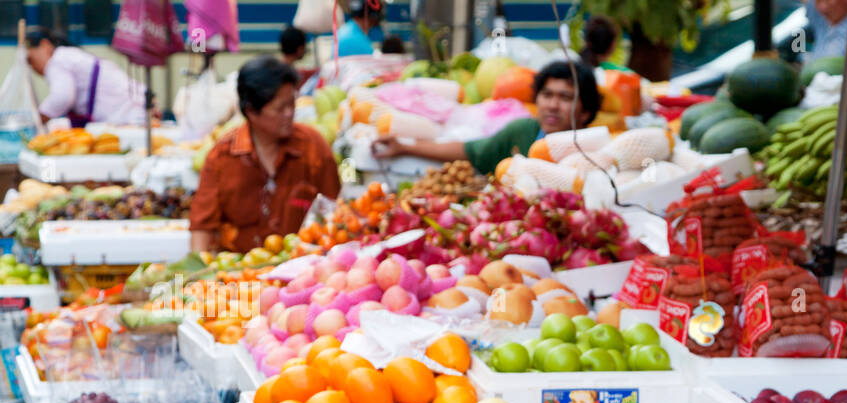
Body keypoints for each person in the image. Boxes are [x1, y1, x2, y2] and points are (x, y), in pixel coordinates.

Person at [189, 57, 341, 253]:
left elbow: (335, 212)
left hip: (302, 270)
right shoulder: (222, 157)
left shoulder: (313, 146)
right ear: (251, 111)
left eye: (292, 105)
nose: (290, 113)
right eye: (280, 108)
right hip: (239, 276)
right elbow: (202, 227)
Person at [372, 59, 601, 175]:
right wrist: (405, 146)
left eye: (565, 97)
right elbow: (469, 151)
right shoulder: (522, 132)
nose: (553, 105)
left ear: (586, 111)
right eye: (547, 95)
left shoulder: (596, 153)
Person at [25, 29, 147, 126]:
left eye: (30, 60)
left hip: (125, 118)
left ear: (45, 45)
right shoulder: (68, 56)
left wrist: (37, 119)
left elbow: (61, 97)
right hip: (136, 110)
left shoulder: (58, 60)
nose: (31, 66)